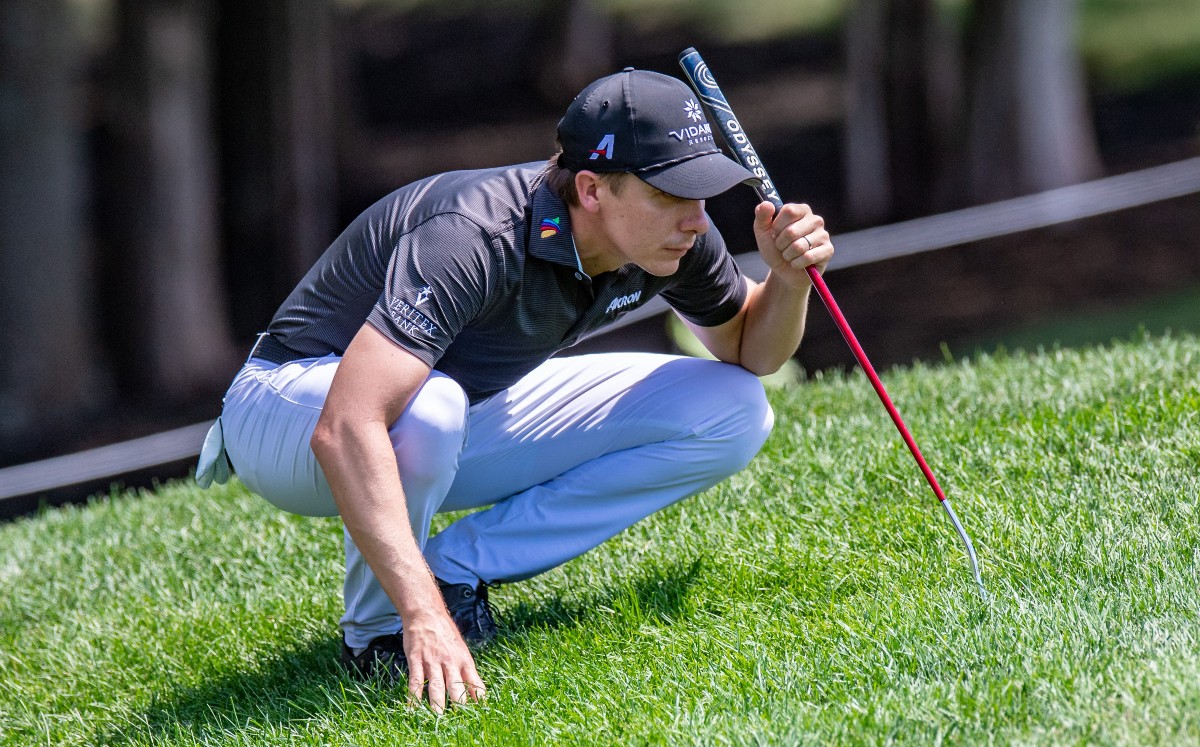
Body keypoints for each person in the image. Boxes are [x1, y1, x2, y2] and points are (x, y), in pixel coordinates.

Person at [196, 66, 833, 712]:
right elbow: (346, 425)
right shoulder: (474, 235)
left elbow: (751, 351)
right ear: (591, 189)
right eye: (673, 194)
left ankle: (457, 569)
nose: (697, 220)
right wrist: (421, 614)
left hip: (438, 406)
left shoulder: (676, 239)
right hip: (283, 409)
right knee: (430, 409)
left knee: (734, 410)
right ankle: (379, 635)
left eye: (703, 193)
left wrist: (787, 281)